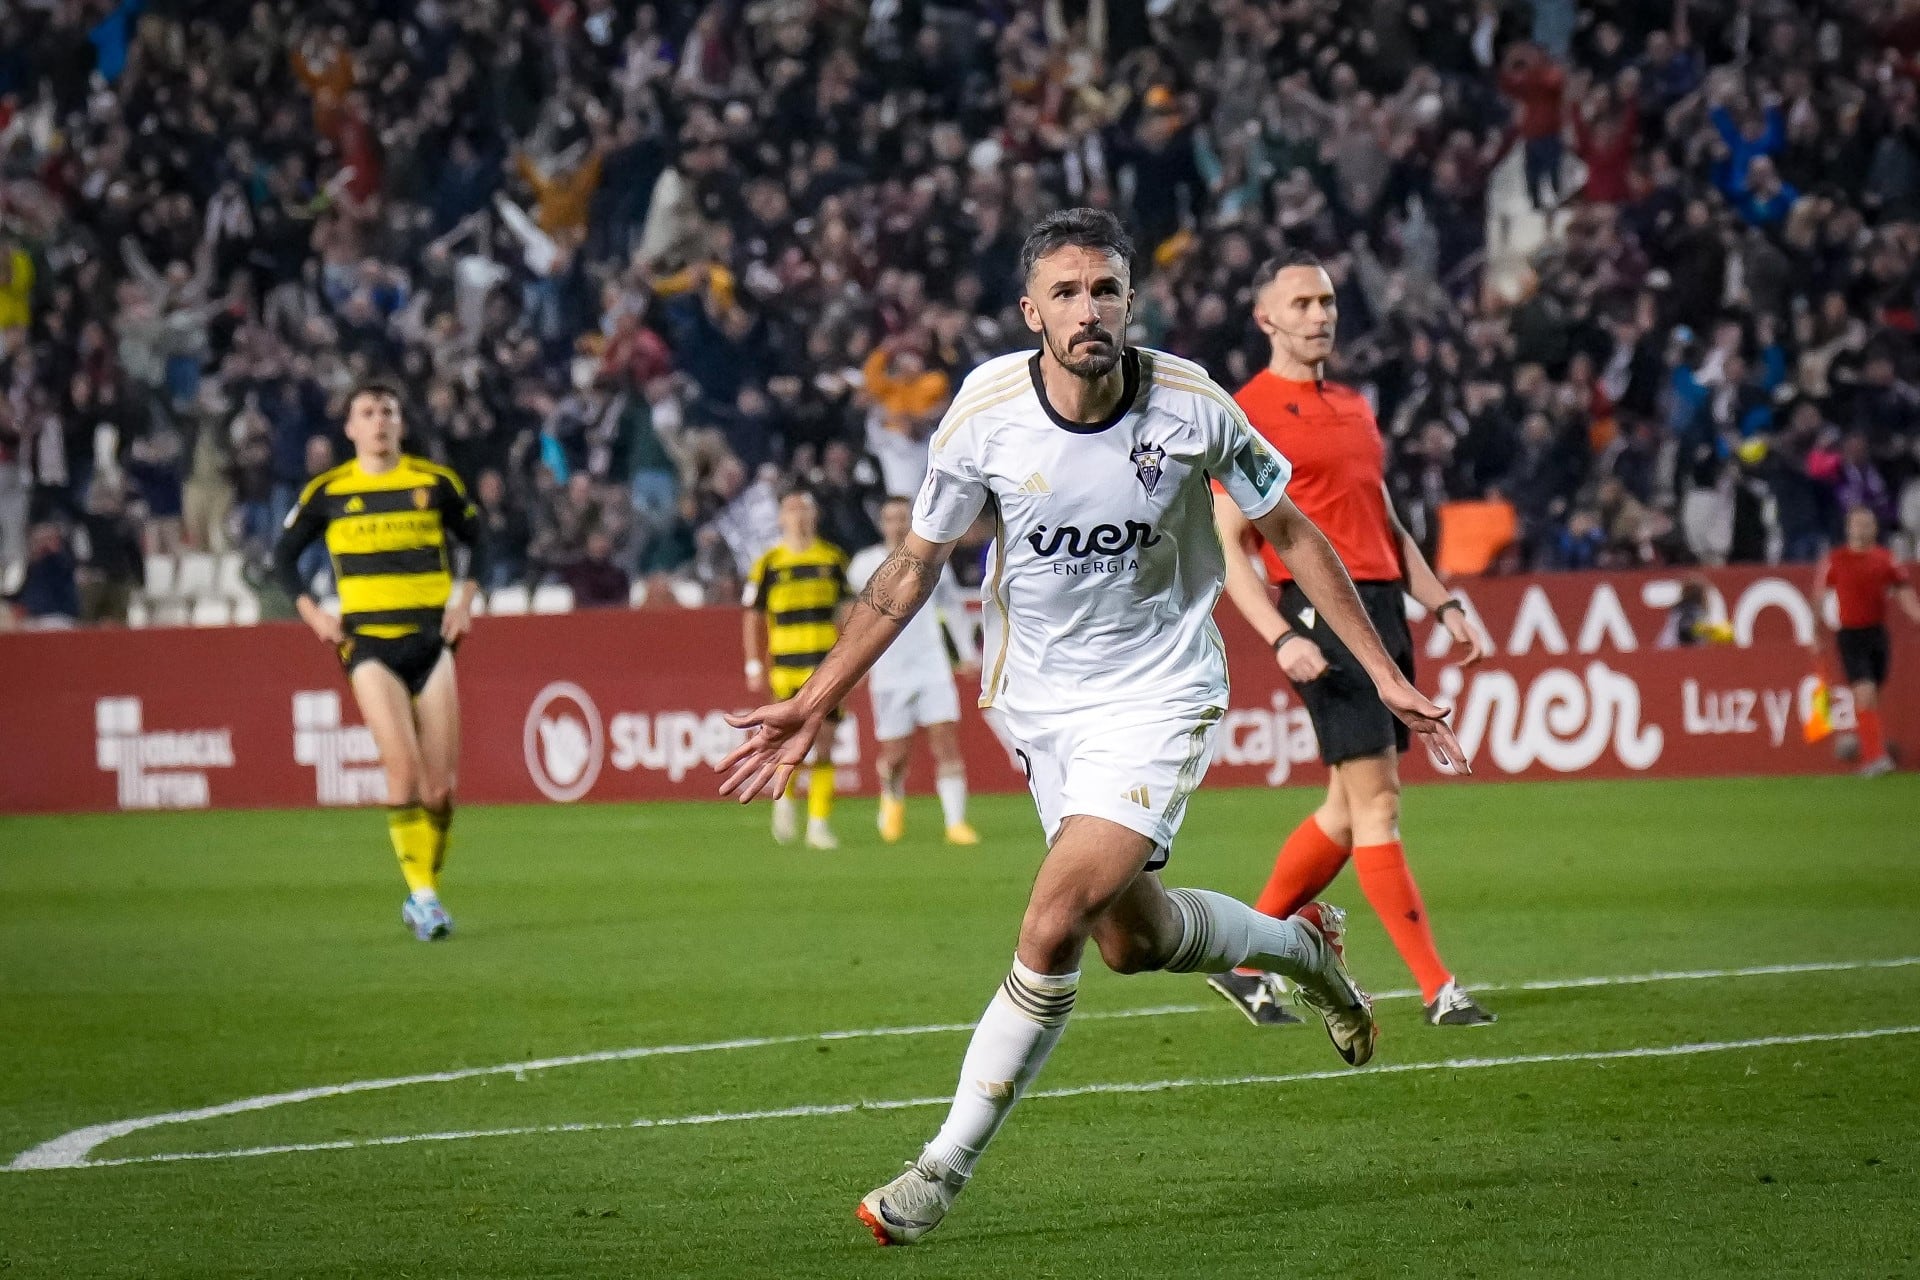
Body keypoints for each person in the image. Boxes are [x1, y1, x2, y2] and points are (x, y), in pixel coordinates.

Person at [718, 209, 1470, 1246]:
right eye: (1066, 293)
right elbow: (912, 567)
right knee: (1132, 937)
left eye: (1106, 289)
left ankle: (941, 1166)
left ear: (1132, 303)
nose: (1088, 309)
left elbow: (1292, 527)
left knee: (1050, 920)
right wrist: (817, 693)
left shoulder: (1192, 405)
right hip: (1038, 701)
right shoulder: (985, 411)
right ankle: (1299, 948)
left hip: (1157, 693)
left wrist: (1383, 670)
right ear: (1032, 311)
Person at [1206, 251, 1498, 1029]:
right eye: (1300, 303)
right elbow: (1227, 540)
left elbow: (1386, 523)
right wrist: (1275, 634)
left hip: (1382, 615)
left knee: (1343, 811)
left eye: (1327, 301)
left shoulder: (1355, 406)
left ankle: (1241, 963)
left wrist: (1443, 605)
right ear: (1265, 317)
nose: (1320, 315)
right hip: (1317, 617)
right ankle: (1438, 987)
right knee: (1379, 805)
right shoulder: (1249, 412)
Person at [272, 383, 488, 941]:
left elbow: (479, 540)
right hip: (367, 644)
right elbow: (283, 558)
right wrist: (316, 617)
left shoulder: (433, 483)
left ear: (401, 423)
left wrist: (465, 600)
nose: (379, 421)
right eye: (367, 413)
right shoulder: (329, 491)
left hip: (431, 641)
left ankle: (424, 886)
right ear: (349, 429)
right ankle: (423, 897)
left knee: (442, 790)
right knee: (404, 770)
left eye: (388, 411)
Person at [847, 495, 980, 846]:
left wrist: (966, 652)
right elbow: (853, 617)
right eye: (891, 518)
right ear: (882, 523)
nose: (897, 524)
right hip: (889, 672)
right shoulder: (865, 564)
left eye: (903, 517)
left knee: (946, 744)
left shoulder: (932, 558)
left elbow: (952, 607)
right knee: (894, 756)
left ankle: (956, 823)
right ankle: (891, 799)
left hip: (931, 667)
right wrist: (852, 663)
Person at [741, 489, 851, 849]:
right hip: (787, 669)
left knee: (825, 745)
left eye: (804, 510)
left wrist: (853, 661)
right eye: (791, 510)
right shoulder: (769, 563)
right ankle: (784, 800)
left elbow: (848, 613)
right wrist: (754, 661)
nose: (799, 517)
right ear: (780, 519)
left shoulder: (832, 559)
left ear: (814, 517)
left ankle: (819, 824)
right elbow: (752, 617)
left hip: (825, 668)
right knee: (789, 745)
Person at [1810, 506, 1920, 777]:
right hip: (1851, 635)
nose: (1861, 529)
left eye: (1866, 524)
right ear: (1848, 528)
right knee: (1865, 692)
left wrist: (1916, 614)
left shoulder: (1885, 559)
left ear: (1874, 528)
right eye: (1856, 524)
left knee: (1872, 694)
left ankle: (1870, 746)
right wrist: (1816, 631)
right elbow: (1820, 595)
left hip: (1877, 634)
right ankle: (1874, 757)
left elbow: (1902, 589)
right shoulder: (1836, 559)